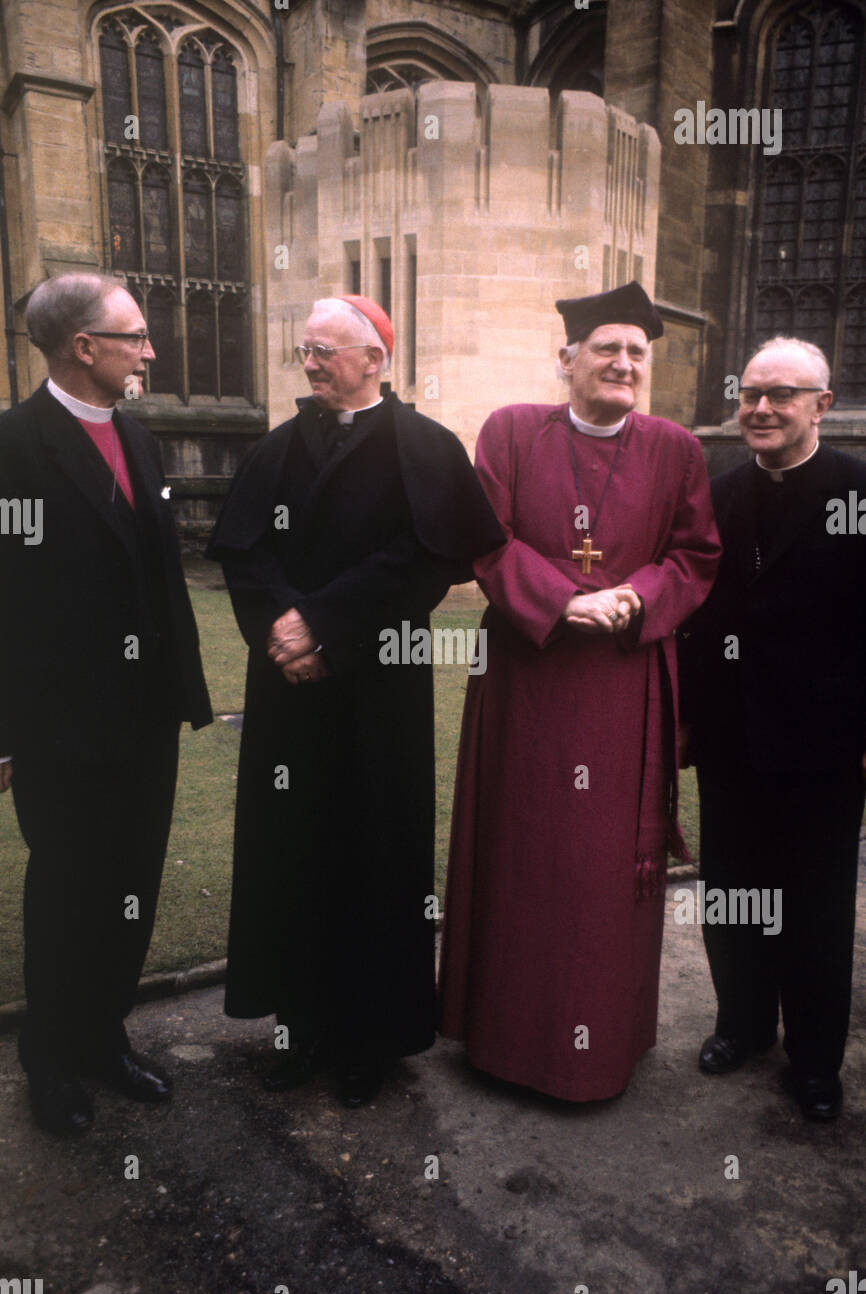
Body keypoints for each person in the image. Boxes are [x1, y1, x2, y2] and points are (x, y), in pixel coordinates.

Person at [207, 295, 503, 1107]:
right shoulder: (276, 448)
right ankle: (299, 1030)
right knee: (294, 851)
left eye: (326, 351)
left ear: (375, 358)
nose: (310, 364)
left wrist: (325, 626)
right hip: (290, 693)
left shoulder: (426, 448)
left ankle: (370, 1039)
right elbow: (242, 551)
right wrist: (284, 635)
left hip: (379, 688)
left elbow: (430, 560)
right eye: (305, 350)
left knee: (375, 854)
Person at [438, 282, 721, 1102]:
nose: (625, 363)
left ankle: (595, 1053)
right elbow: (481, 539)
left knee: (602, 870)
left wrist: (634, 597)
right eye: (607, 348)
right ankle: (505, 1045)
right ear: (567, 360)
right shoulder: (512, 431)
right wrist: (565, 598)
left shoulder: (678, 450)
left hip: (622, 681)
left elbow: (697, 556)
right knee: (523, 852)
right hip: (529, 679)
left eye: (637, 352)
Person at [0, 273, 212, 1135]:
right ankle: (48, 1058)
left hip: (143, 718)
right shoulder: (11, 445)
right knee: (66, 891)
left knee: (131, 882)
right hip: (58, 727)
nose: (150, 351)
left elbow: (159, 577)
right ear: (83, 347)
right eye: (134, 336)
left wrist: (182, 693)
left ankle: (101, 1036)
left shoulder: (143, 440)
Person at [678, 337, 866, 1122]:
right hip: (730, 739)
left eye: (781, 395)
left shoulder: (859, 493)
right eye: (750, 393)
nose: (759, 408)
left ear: (821, 405)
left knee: (817, 907)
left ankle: (815, 1060)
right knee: (732, 896)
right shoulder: (716, 495)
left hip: (825, 746)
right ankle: (743, 1026)